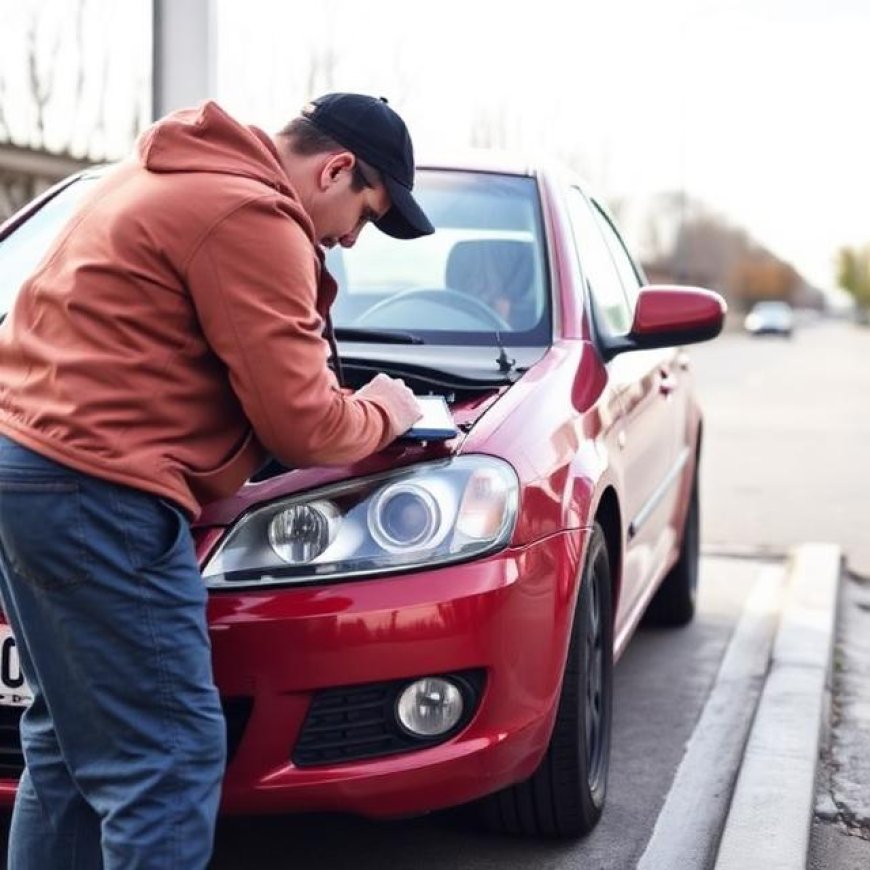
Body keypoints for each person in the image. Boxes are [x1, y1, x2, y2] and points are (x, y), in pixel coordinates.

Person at [0, 92, 432, 869]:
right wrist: (383, 411)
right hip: (98, 493)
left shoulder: (159, 171)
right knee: (169, 763)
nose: (351, 241)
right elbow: (304, 426)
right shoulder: (251, 215)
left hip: (30, 467)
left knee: (66, 748)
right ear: (336, 168)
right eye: (365, 215)